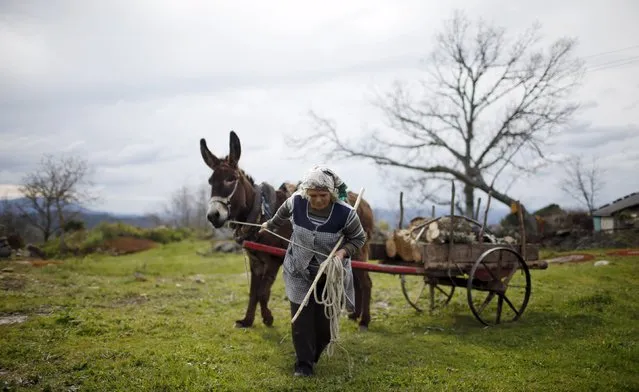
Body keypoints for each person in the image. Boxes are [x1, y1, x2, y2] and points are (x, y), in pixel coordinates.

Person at [259, 165, 367, 377]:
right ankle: (303, 365)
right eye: (314, 195)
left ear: (332, 194)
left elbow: (358, 238)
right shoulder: (296, 202)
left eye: (323, 195)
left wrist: (342, 253)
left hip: (330, 276)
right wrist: (269, 225)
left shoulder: (345, 214)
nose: (318, 200)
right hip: (298, 269)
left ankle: (314, 354)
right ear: (306, 193)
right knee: (301, 319)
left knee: (324, 327)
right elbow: (279, 217)